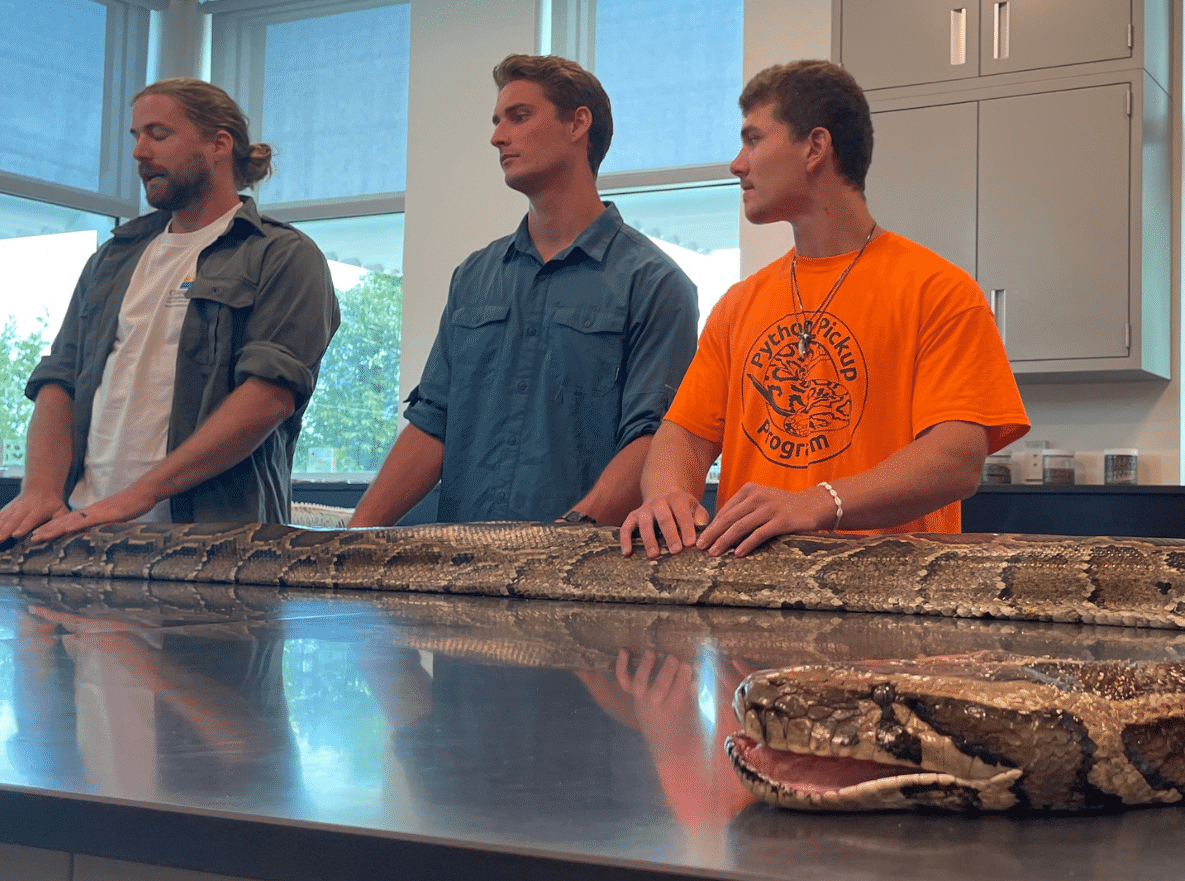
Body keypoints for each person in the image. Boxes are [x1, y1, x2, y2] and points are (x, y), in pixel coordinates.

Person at [621, 59, 1030, 560]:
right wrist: (667, 496)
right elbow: (684, 434)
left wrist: (821, 502)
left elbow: (956, 459)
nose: (737, 164)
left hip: (890, 594)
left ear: (815, 147)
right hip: (748, 591)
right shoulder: (739, 303)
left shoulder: (939, 291)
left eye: (753, 139)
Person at [350, 54, 698, 528]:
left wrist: (559, 541)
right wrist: (352, 538)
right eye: (497, 121)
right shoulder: (474, 276)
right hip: (461, 561)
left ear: (577, 124)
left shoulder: (656, 284)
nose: (497, 137)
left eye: (519, 116)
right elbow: (434, 421)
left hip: (581, 564)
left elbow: (653, 439)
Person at [0, 79, 339, 543]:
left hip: (215, 545)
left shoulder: (282, 255)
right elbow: (60, 378)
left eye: (158, 134)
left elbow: (268, 398)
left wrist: (134, 498)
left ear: (219, 144)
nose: (139, 152)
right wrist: (39, 489)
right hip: (79, 532)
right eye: (136, 136)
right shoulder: (111, 258)